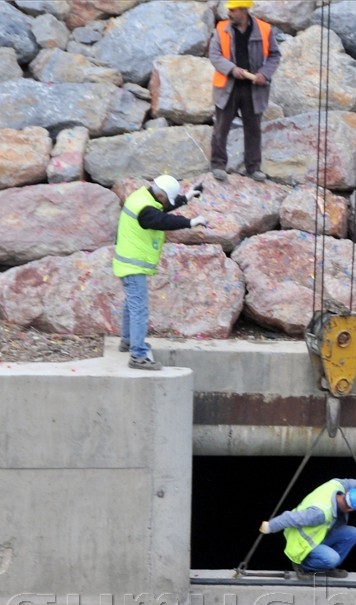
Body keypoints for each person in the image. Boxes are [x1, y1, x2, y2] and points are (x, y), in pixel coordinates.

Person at [112, 174, 207, 370]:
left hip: (127, 263)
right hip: (133, 265)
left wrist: (187, 197)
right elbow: (162, 220)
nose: (166, 202)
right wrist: (190, 222)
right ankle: (137, 355)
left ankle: (128, 341)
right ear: (161, 194)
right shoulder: (146, 210)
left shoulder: (143, 196)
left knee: (132, 304)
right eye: (168, 198)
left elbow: (162, 207)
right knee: (139, 308)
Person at [208, 0, 281, 183]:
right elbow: (215, 56)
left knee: (253, 129)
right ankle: (218, 165)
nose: (229, 13)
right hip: (228, 88)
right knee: (221, 128)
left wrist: (264, 73)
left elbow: (274, 55)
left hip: (254, 89)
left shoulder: (264, 29)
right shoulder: (222, 29)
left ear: (244, 11)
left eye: (233, 10)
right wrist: (232, 69)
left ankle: (253, 168)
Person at [260, 475, 356, 578]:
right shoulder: (320, 513)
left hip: (318, 535)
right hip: (302, 542)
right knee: (333, 558)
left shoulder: (334, 486)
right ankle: (304, 566)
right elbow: (291, 518)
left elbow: (346, 483)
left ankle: (326, 568)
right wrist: (271, 526)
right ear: (351, 509)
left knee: (352, 533)